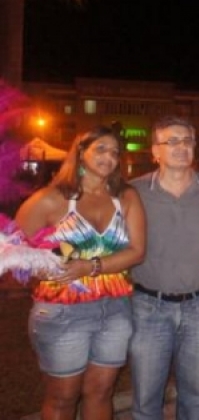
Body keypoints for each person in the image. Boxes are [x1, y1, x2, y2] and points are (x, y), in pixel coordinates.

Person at [15, 125, 146, 420]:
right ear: (80, 152)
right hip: (63, 312)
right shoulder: (52, 199)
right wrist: (47, 265)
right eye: (100, 149)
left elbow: (137, 251)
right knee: (62, 397)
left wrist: (90, 266)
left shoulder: (125, 197)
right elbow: (13, 249)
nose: (109, 157)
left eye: (114, 152)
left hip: (115, 309)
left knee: (101, 392)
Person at [128, 116, 199, 420]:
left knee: (195, 397)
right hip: (149, 308)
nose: (181, 147)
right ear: (155, 151)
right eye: (172, 141)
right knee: (146, 398)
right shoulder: (133, 193)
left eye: (187, 141)